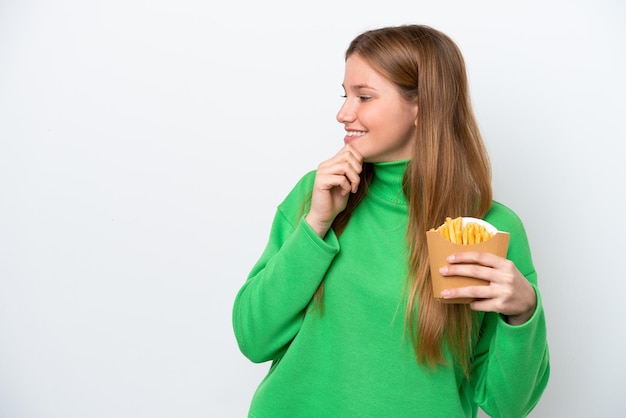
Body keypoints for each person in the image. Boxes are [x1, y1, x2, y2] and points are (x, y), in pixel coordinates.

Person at [232, 24, 549, 417]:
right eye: (345, 95)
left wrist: (523, 313)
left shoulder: (485, 229)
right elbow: (253, 337)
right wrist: (315, 225)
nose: (343, 113)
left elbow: (507, 406)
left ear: (422, 106)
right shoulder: (318, 194)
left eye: (363, 96)